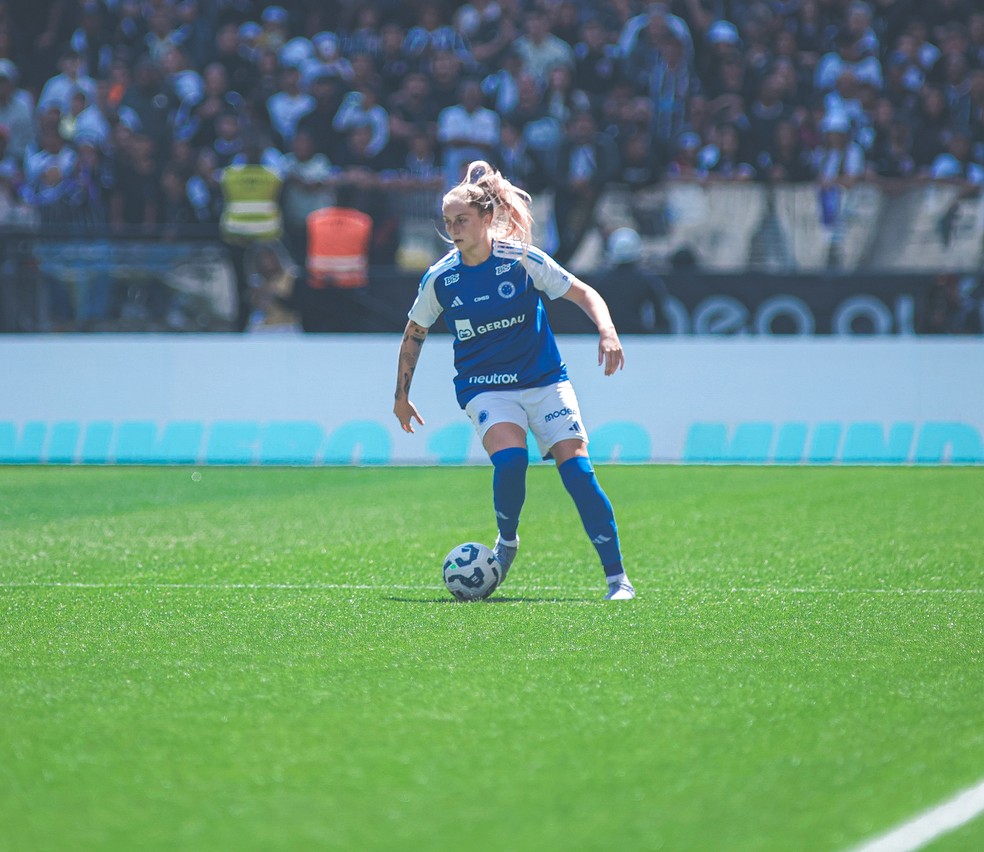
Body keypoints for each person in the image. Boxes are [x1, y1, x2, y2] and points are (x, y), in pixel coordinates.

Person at [392, 160, 635, 601]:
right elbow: (414, 332)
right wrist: (401, 397)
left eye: (462, 220)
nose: (454, 229)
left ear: (487, 219)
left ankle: (618, 579)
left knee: (578, 473)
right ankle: (506, 541)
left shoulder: (521, 259)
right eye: (448, 223)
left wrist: (608, 331)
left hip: (543, 380)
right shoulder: (441, 277)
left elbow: (583, 291)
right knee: (510, 462)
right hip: (484, 384)